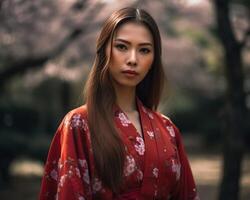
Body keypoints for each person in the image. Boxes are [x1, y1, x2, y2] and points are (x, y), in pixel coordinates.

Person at [39, 7, 199, 200]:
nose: (133, 59)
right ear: (104, 50)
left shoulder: (168, 129)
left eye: (144, 50)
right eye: (122, 47)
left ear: (154, 58)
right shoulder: (79, 123)